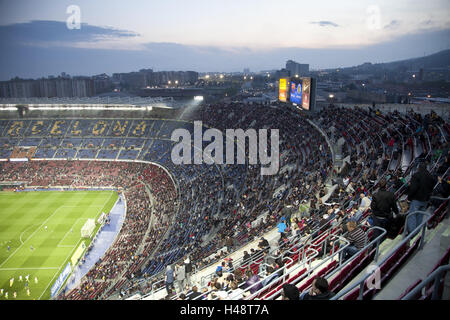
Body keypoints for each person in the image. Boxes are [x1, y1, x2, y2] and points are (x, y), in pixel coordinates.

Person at [406, 162, 437, 234]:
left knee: (412, 216)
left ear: (419, 168)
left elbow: (413, 188)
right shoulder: (430, 176)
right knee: (420, 215)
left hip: (416, 199)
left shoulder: (416, 175)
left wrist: (409, 197)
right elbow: (432, 188)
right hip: (425, 200)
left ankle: (412, 233)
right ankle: (417, 232)